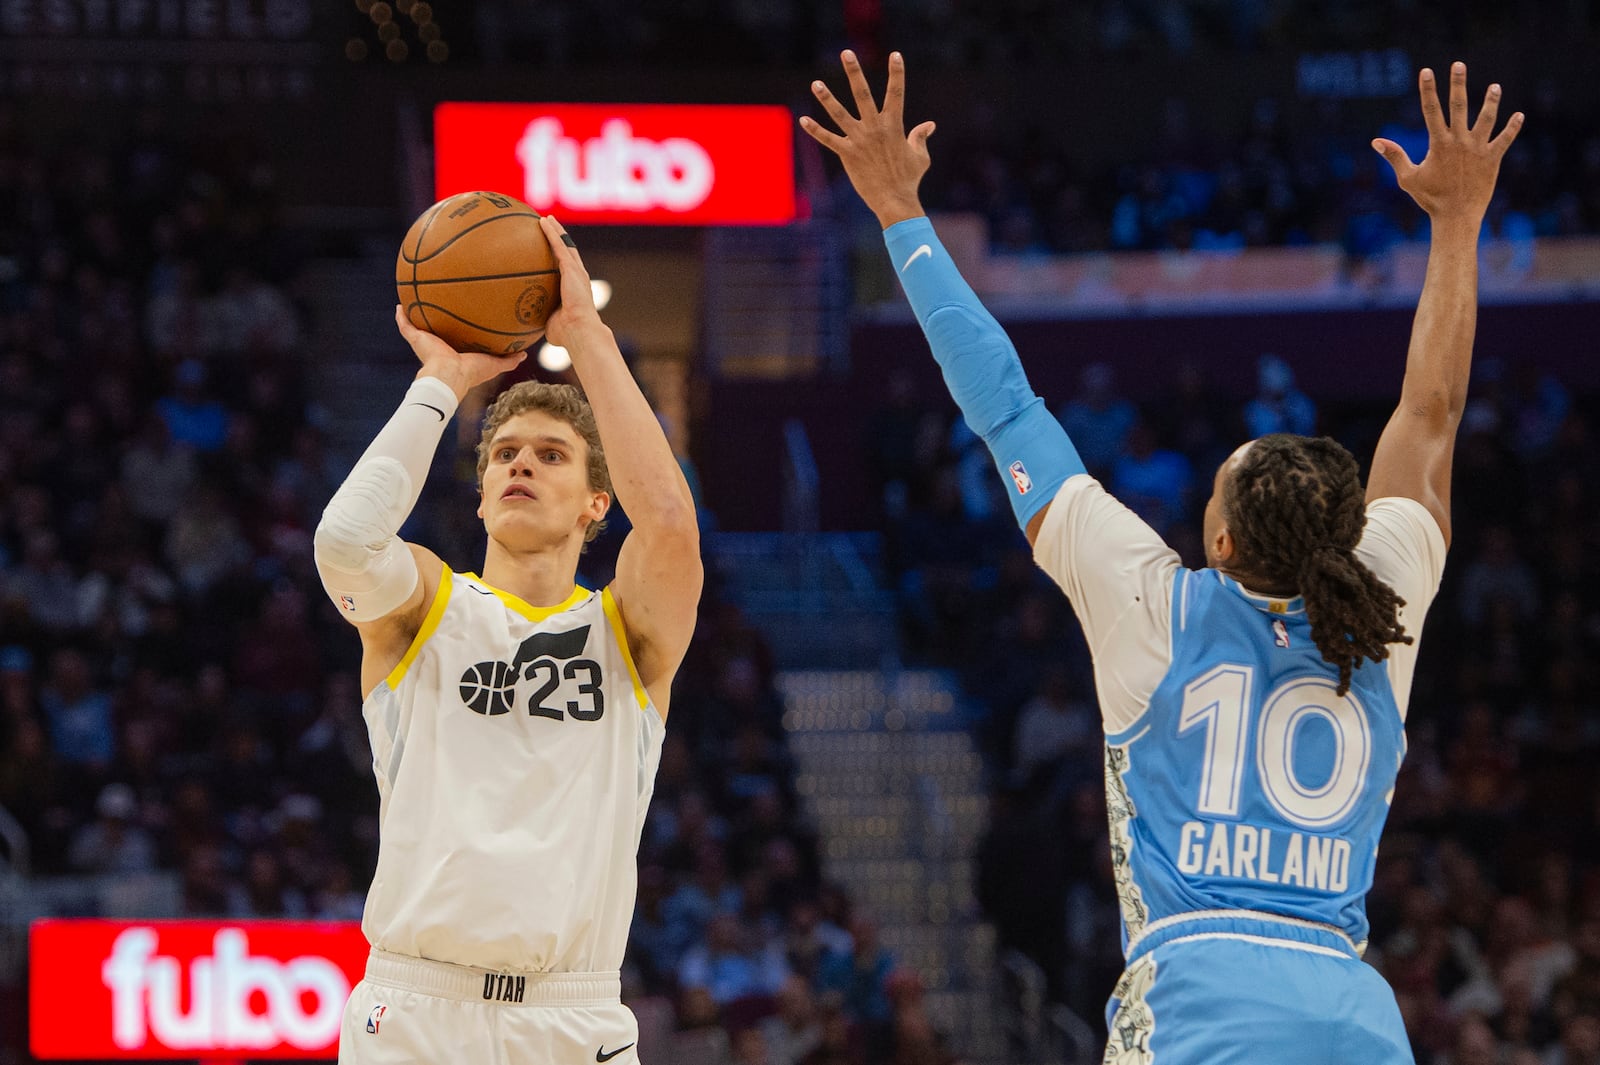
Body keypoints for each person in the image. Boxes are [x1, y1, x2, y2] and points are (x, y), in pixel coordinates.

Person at [802, 50, 1521, 1062]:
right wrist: (1458, 226)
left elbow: (1004, 405)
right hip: (1350, 1011)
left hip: (1200, 996)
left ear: (1220, 541)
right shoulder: (1388, 593)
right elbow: (1432, 411)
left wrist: (897, 214)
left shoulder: (1153, 606)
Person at [313, 213, 702, 1063]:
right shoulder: (423, 604)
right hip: (416, 1009)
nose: (521, 464)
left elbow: (671, 524)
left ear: (599, 502)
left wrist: (584, 336)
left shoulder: (628, 631)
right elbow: (344, 543)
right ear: (483, 494)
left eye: (553, 456)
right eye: (506, 455)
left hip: (573, 1017)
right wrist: (443, 382)